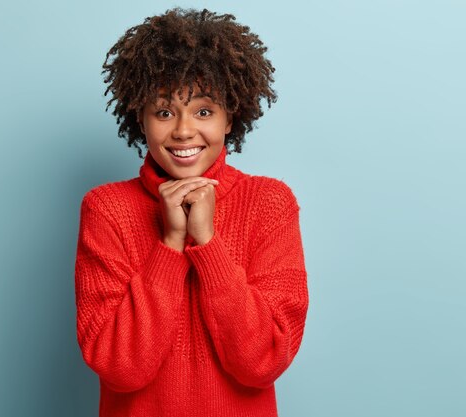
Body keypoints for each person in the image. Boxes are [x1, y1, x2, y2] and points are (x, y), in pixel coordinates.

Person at [74, 7, 309, 417]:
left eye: (203, 111)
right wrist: (169, 244)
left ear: (230, 118)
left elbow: (263, 363)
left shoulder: (270, 203)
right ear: (140, 119)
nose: (183, 130)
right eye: (164, 112)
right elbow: (119, 368)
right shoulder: (106, 208)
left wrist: (208, 243)